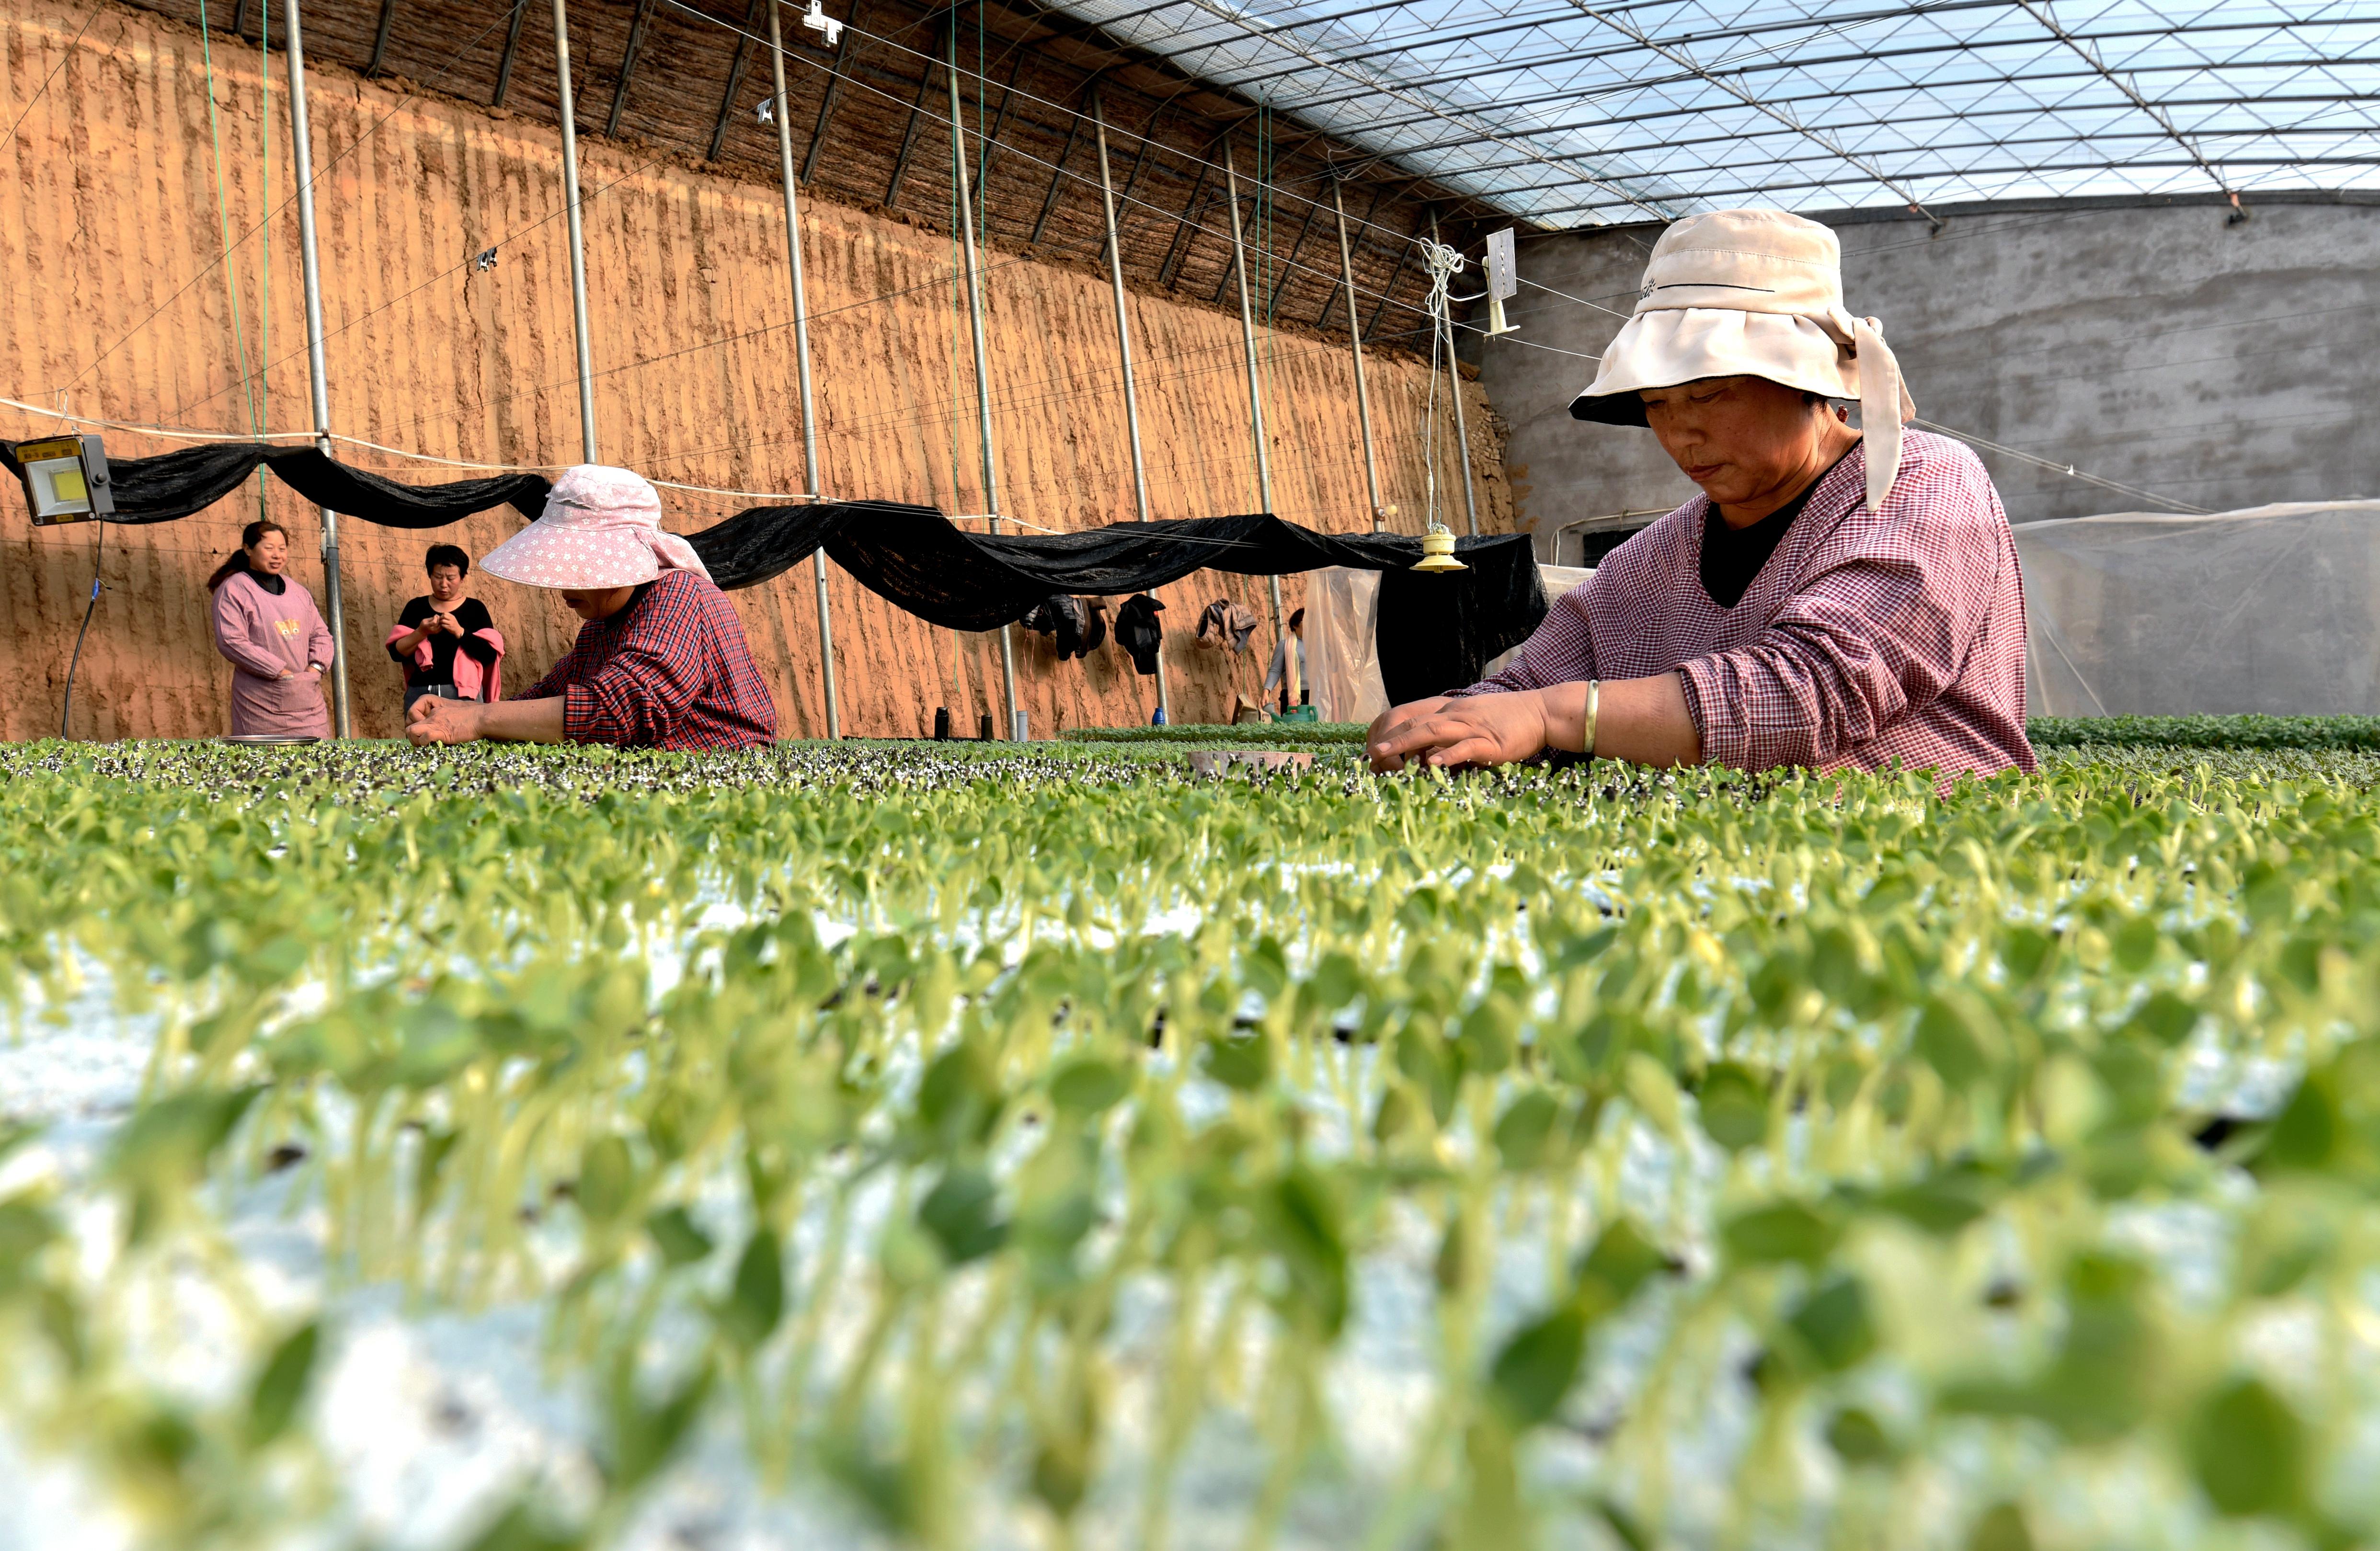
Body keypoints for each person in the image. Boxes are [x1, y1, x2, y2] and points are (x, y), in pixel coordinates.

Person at [1368, 208, 2036, 783]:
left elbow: (1814, 692)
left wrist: (1554, 714)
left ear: (1807, 380)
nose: (1682, 432)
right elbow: (1523, 690)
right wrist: (1450, 721)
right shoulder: (1650, 560)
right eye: (1656, 403)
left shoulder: (1921, 482)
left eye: (1709, 394)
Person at [403, 466, 776, 752]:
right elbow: (552, 692)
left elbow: (619, 709)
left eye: (580, 566)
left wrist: (480, 717)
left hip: (721, 770)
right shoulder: (604, 622)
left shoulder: (681, 595)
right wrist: (460, 713)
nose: (564, 586)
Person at [207, 518, 335, 738]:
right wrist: (279, 671)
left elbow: (321, 634)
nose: (277, 555)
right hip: (260, 703)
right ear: (248, 549)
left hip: (308, 702)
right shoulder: (234, 589)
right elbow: (231, 641)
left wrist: (315, 667)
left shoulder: (298, 592)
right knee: (265, 765)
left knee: (316, 763)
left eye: (282, 549)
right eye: (269, 549)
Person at [386, 544, 504, 712]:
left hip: (463, 696)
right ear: (429, 575)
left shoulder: (475, 609)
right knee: (419, 737)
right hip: (420, 692)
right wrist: (421, 632)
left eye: (451, 578)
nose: (443, 584)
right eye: (438, 576)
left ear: (462, 578)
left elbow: (489, 655)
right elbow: (396, 654)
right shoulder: (416, 607)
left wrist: (460, 632)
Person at [1262, 608, 1307, 711]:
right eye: (1305, 621)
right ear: (1295, 625)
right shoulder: (1285, 645)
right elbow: (1275, 671)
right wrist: (1266, 691)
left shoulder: (1319, 647)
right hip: (1292, 697)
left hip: (1315, 696)